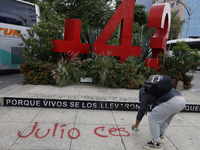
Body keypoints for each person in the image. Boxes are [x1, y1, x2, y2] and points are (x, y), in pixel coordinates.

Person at [131, 75, 186, 150]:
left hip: (171, 101)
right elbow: (157, 107)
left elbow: (141, 111)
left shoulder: (145, 95)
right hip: (181, 100)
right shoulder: (157, 90)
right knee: (165, 119)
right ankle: (160, 136)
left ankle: (156, 143)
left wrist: (136, 125)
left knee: (153, 119)